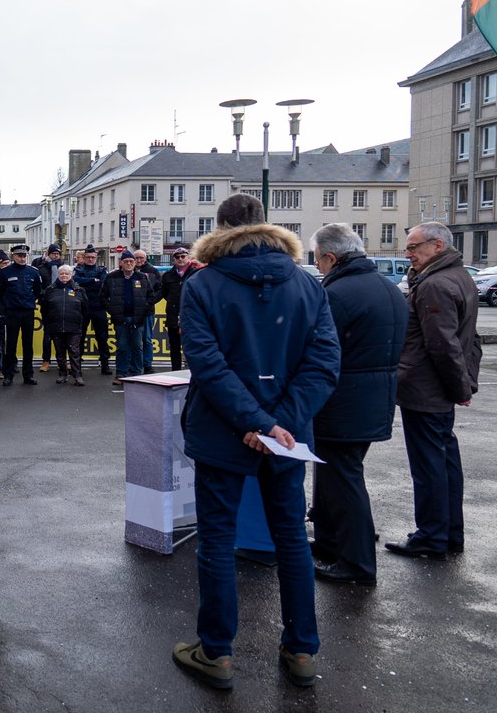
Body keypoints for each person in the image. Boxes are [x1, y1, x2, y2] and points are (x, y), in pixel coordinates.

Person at [172, 194, 339, 691]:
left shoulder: (203, 284)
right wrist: (278, 423)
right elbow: (323, 363)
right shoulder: (307, 285)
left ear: (220, 227)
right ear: (266, 225)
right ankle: (302, 647)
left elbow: (207, 365)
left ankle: (217, 652)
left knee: (218, 540)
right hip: (287, 438)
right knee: (291, 540)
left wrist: (258, 422)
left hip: (227, 431)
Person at [307, 224, 407, 586]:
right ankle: (331, 543)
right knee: (335, 475)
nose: (316, 266)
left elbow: (317, 349)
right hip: (373, 398)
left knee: (344, 480)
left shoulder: (338, 293)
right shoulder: (387, 288)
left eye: (317, 259)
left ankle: (357, 564)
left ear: (331, 257)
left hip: (343, 401)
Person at [387, 221, 482, 560]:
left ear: (437, 246)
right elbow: (467, 340)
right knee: (444, 462)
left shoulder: (435, 284)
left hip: (427, 389)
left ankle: (431, 536)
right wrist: (463, 383)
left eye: (414, 247)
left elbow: (443, 344)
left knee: (429, 466)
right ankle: (448, 533)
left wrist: (460, 387)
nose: (407, 253)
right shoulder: (458, 276)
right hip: (438, 387)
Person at [0, 244, 43, 387]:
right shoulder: (5, 273)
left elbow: (37, 291)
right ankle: (8, 375)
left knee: (28, 345)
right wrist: (8, 304)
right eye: (19, 256)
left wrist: (28, 302)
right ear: (13, 256)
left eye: (24, 256)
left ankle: (28, 375)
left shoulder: (34, 272)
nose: (22, 258)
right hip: (12, 312)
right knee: (11, 344)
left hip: (28, 312)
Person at [102, 251, 150, 385]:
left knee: (137, 347)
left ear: (135, 263)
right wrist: (113, 311)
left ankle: (137, 374)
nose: (129, 264)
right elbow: (103, 297)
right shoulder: (111, 277)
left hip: (137, 319)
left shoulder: (142, 277)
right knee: (122, 347)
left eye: (131, 261)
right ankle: (121, 374)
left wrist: (143, 310)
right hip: (120, 319)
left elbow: (150, 296)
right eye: (126, 261)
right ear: (121, 263)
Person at [39, 264, 88, 385]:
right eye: (62, 274)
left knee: (74, 352)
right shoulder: (50, 290)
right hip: (56, 326)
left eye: (67, 274)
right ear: (58, 275)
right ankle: (62, 374)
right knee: (60, 352)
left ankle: (77, 375)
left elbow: (85, 309)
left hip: (74, 327)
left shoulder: (79, 290)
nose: (64, 276)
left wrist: (80, 323)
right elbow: (44, 309)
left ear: (71, 275)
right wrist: (48, 323)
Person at [73, 245, 112, 376]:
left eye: (93, 257)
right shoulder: (78, 269)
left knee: (102, 337)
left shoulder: (102, 269)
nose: (90, 260)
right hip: (82, 307)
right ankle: (77, 366)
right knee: (79, 337)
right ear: (84, 257)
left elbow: (102, 283)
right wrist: (92, 280)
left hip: (98, 306)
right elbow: (76, 281)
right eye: (88, 257)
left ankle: (105, 364)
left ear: (96, 257)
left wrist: (87, 282)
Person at [160, 247, 200, 371]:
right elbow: (165, 294)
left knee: (191, 346)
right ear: (174, 259)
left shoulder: (195, 273)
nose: (180, 259)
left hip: (191, 316)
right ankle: (176, 372)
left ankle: (191, 372)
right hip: (173, 316)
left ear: (188, 257)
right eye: (177, 257)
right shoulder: (168, 275)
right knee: (174, 347)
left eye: (183, 256)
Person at [134, 249, 162, 373]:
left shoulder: (153, 271)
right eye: (136, 258)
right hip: (131, 312)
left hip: (147, 311)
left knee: (147, 339)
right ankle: (134, 365)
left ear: (146, 258)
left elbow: (160, 290)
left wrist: (149, 302)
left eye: (141, 258)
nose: (139, 260)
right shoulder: (128, 270)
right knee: (133, 340)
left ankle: (148, 364)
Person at [37, 244, 64, 372]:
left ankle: (62, 361)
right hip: (47, 305)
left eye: (58, 254)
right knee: (47, 335)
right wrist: (46, 295)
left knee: (63, 335)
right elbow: (38, 288)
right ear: (49, 254)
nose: (56, 256)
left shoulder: (64, 269)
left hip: (63, 305)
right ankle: (45, 361)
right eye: (53, 254)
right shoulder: (42, 269)